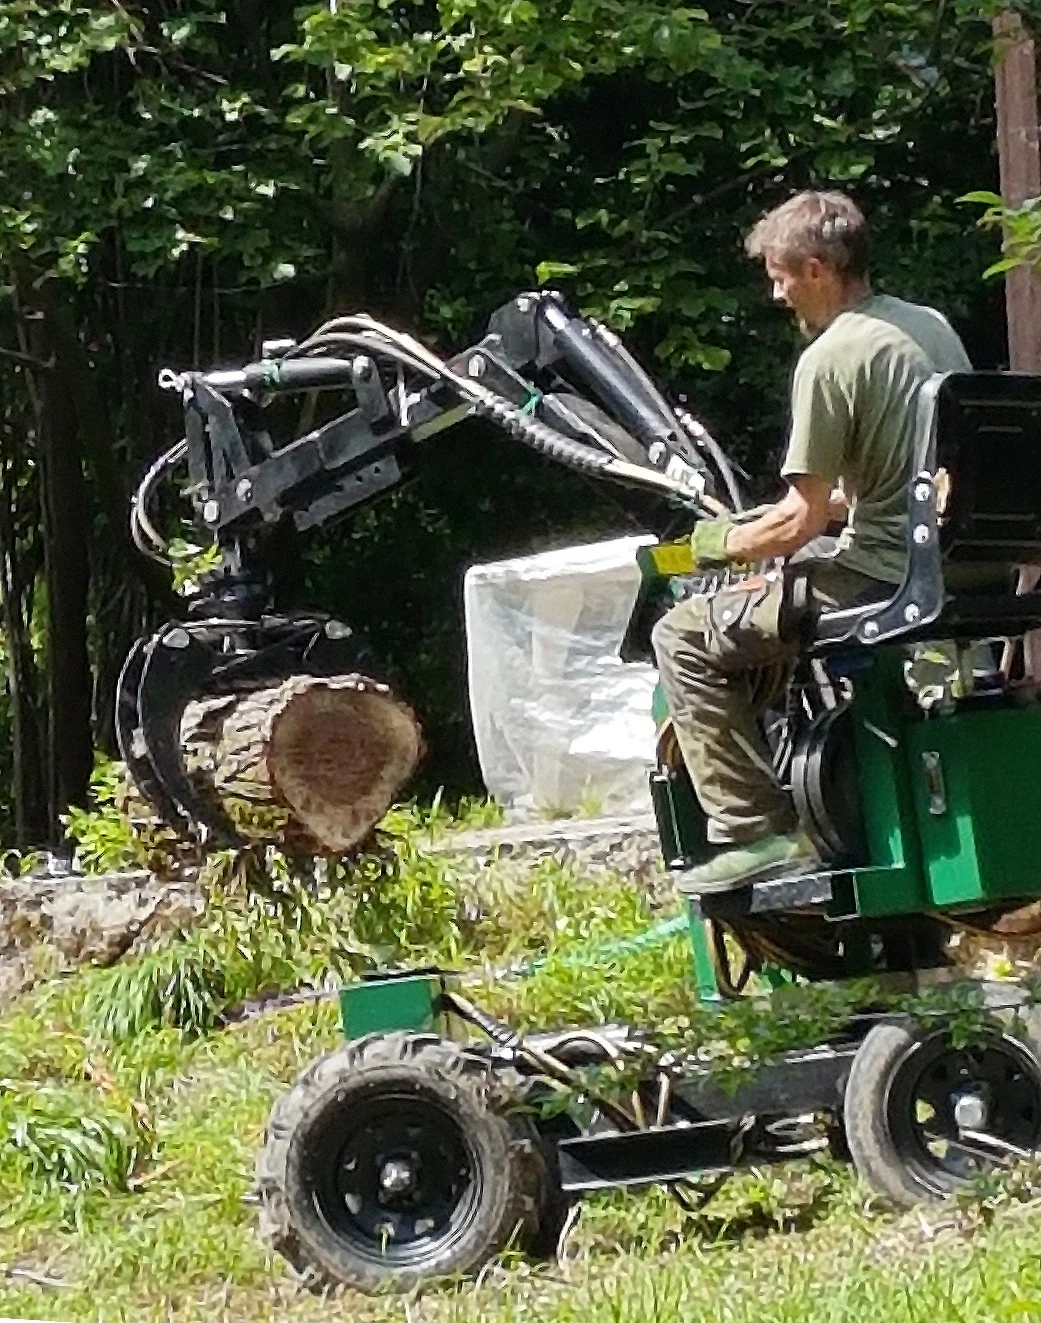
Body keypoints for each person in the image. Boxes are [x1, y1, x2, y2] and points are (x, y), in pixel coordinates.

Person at [651, 189, 972, 896]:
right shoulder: (929, 328)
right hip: (959, 567)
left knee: (680, 634)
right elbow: (877, 489)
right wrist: (769, 528)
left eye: (781, 274)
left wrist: (714, 543)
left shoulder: (829, 357)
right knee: (764, 595)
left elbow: (797, 522)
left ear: (820, 268)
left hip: (880, 575)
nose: (776, 293)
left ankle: (756, 832)